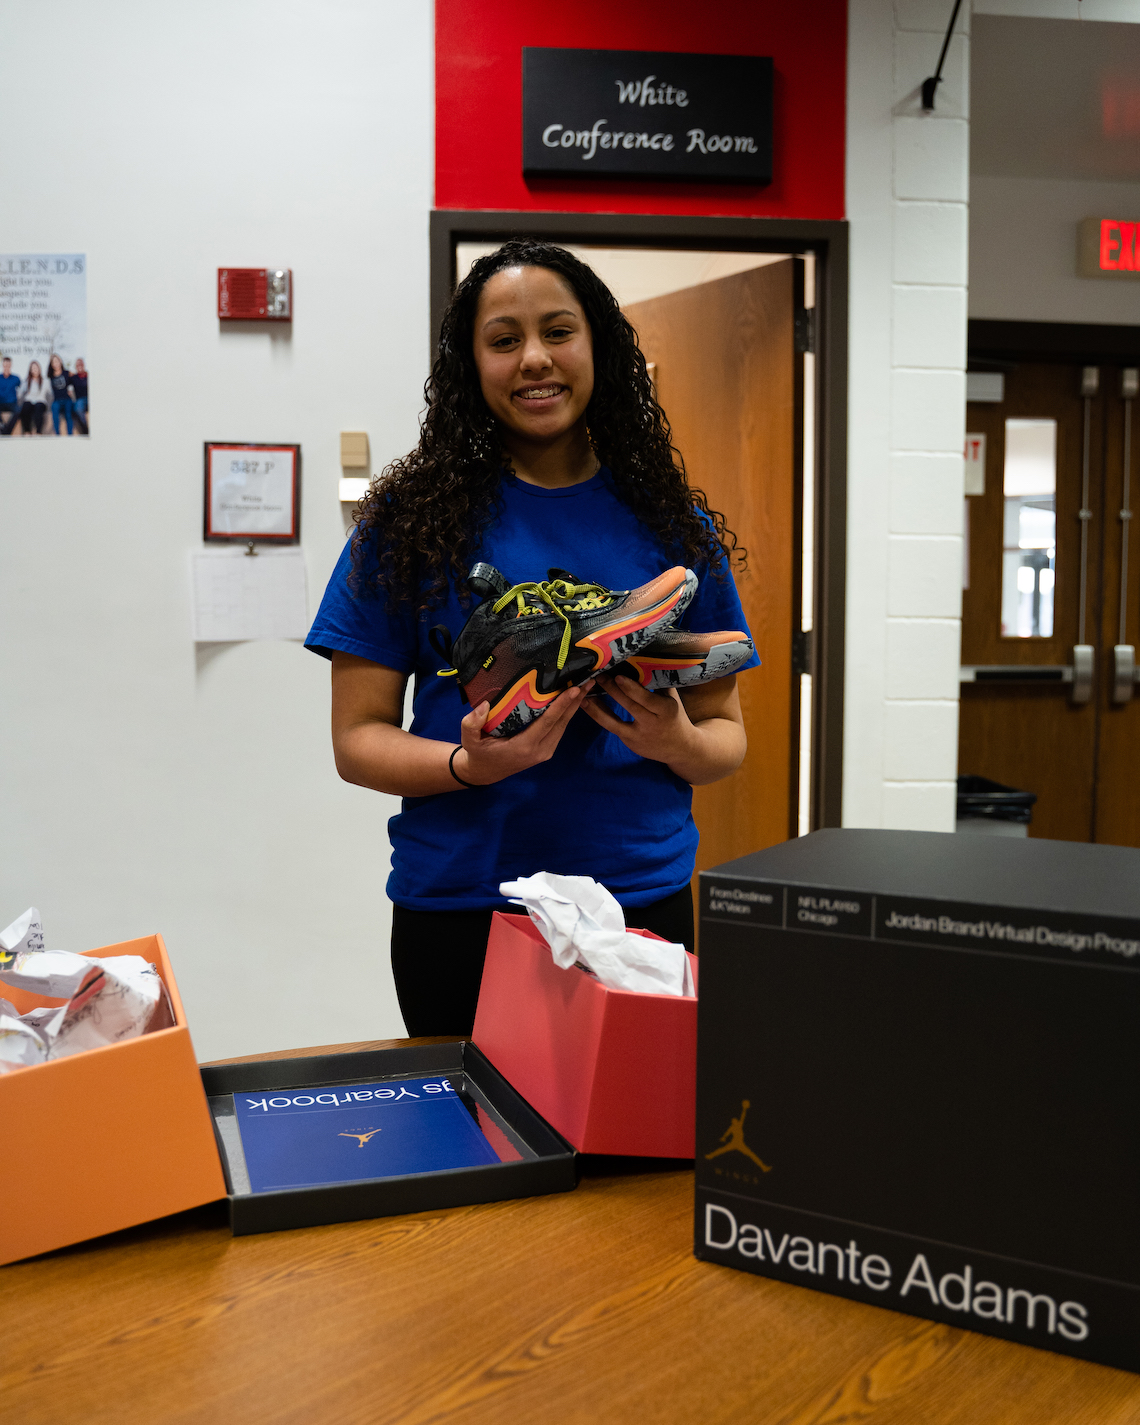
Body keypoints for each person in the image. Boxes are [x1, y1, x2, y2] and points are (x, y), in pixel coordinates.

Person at [305, 240, 760, 1035]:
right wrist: (467, 762)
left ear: (599, 348)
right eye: (504, 339)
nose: (535, 360)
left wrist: (675, 738)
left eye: (558, 331)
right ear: (470, 364)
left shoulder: (669, 525)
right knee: (485, 1153)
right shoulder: (405, 527)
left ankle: (585, 629)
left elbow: (727, 737)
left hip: (636, 903)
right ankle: (527, 641)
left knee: (633, 1157)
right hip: (466, 906)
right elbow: (357, 739)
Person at [15, 361, 49, 435]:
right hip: (29, 401)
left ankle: (38, 432)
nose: (35, 370)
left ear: (39, 369)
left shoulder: (45, 381)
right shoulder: (26, 381)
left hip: (40, 401)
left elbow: (50, 393)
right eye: (33, 368)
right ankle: (27, 431)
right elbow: (20, 393)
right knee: (25, 407)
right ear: (30, 370)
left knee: (38, 407)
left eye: (36, 368)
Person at [47, 354, 74, 435]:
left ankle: (70, 435)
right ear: (51, 364)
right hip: (57, 400)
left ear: (60, 361)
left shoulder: (67, 373)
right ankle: (57, 434)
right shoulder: (50, 376)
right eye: (53, 362)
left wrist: (71, 389)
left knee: (69, 415)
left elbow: (74, 381)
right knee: (54, 413)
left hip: (67, 399)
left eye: (57, 361)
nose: (55, 363)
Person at [0, 357, 19, 435]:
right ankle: (3, 426)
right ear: (3, 365)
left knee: (19, 410)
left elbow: (23, 390)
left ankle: (6, 431)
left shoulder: (16, 378)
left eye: (8, 365)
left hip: (12, 403)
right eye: (5, 365)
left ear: (11, 365)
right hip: (1, 402)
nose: (7, 366)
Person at [70, 358, 89, 433]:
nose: (79, 366)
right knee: (77, 409)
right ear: (75, 367)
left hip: (90, 398)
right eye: (77, 365)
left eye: (81, 364)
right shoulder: (74, 378)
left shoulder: (89, 376)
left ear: (84, 365)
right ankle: (85, 430)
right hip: (80, 399)